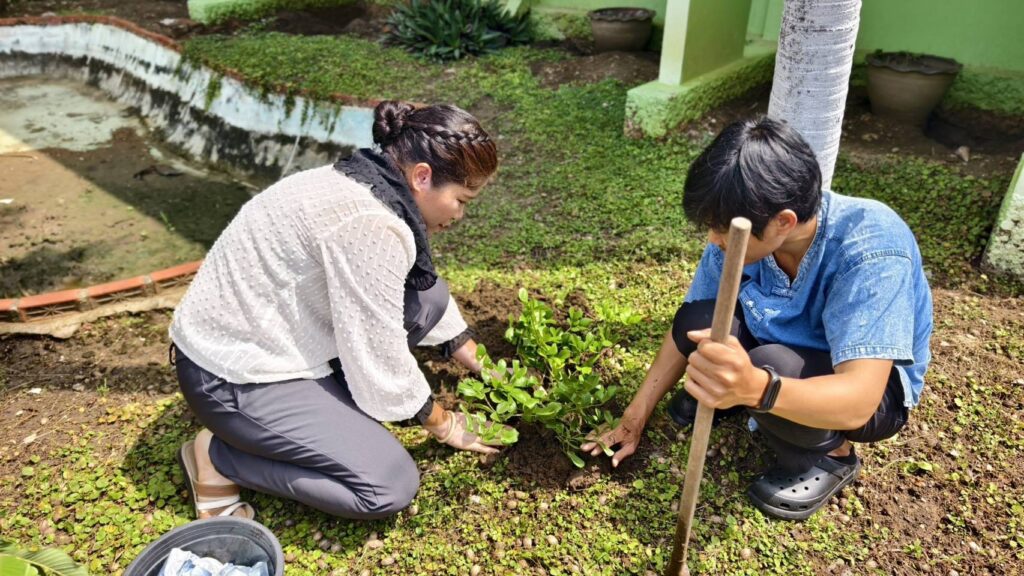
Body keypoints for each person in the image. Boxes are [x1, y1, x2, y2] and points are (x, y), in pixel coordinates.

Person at [582, 117, 933, 521]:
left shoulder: (871, 250)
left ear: (784, 222)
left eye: (721, 230)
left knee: (770, 366)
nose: (713, 239)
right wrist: (635, 415)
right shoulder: (741, 226)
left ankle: (833, 456)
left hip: (867, 391)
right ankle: (744, 395)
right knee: (698, 319)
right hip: (775, 343)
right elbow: (694, 324)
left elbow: (859, 401)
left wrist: (755, 388)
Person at [169, 101, 505, 520]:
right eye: (461, 199)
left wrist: (486, 366)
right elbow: (379, 353)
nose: (460, 214)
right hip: (234, 376)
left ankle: (312, 417)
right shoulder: (370, 225)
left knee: (428, 297)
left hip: (277, 336)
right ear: (422, 176)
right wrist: (443, 422)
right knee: (388, 485)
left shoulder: (367, 182)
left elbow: (409, 300)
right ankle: (219, 457)